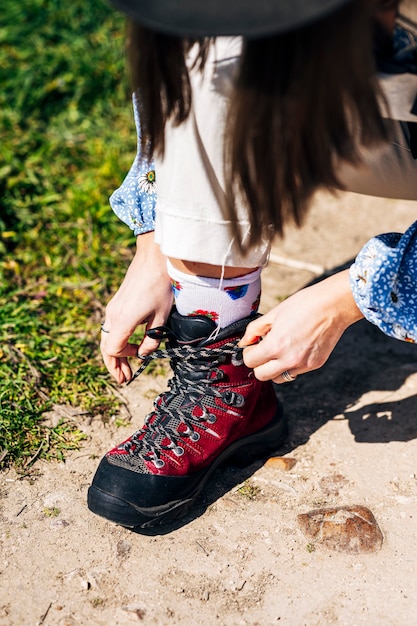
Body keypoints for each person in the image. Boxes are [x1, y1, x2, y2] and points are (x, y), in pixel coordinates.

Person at [88, 0, 417, 530]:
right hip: (378, 106)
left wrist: (349, 298)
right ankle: (230, 397)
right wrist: (157, 240)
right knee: (214, 50)